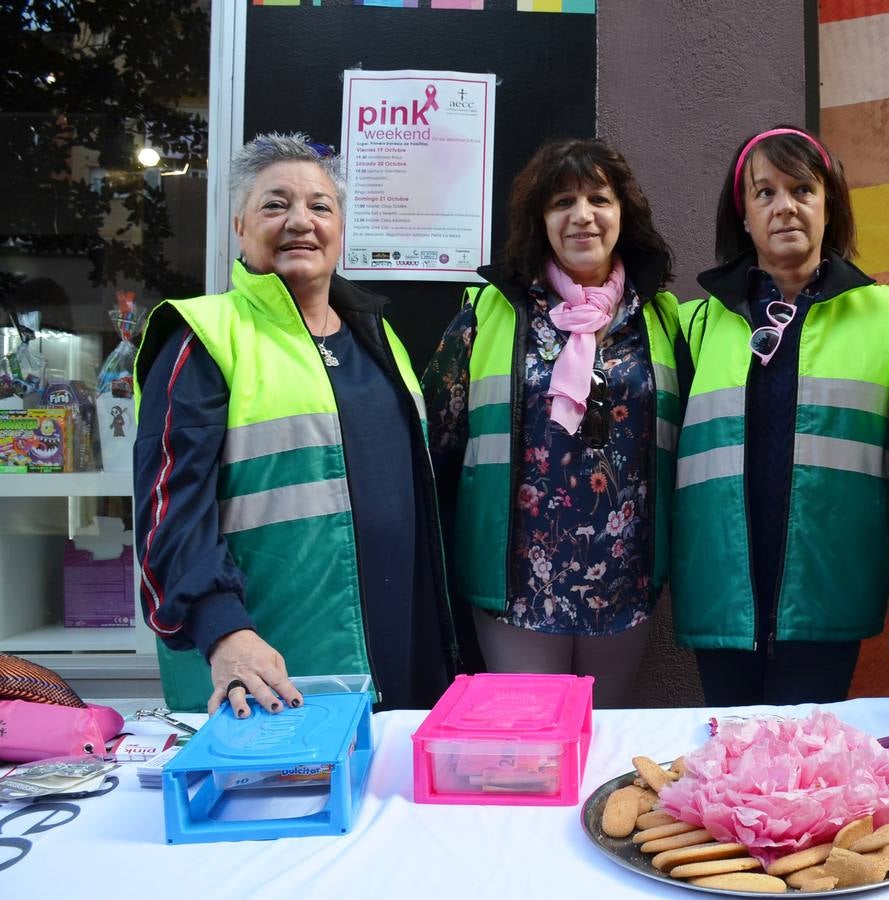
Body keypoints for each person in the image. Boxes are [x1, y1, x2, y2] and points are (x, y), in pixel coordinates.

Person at [134, 133, 456, 715]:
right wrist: (223, 630)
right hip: (263, 664)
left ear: (340, 228)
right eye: (275, 204)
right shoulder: (203, 338)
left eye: (320, 206)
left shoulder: (379, 337)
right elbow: (169, 514)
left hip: (397, 653)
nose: (299, 221)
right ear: (239, 227)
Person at [422, 139, 680, 708]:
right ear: (542, 220)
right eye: (563, 201)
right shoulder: (487, 312)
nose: (582, 215)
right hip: (517, 583)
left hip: (624, 578)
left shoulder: (661, 317)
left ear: (621, 214)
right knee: (531, 744)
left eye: (598, 199)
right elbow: (434, 441)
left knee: (604, 733)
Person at [671, 126, 889, 704]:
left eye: (803, 189)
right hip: (721, 592)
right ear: (744, 214)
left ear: (830, 205)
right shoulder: (691, 326)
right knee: (730, 765)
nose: (785, 207)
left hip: (827, 593)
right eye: (765, 193)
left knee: (806, 777)